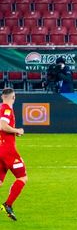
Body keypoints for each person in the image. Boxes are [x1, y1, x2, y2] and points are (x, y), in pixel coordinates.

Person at [0, 88, 28, 221]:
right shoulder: (6, 110)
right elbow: (3, 126)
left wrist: (12, 132)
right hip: (7, 150)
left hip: (1, 148)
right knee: (22, 177)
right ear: (13, 97)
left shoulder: (1, 108)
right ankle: (8, 204)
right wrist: (17, 130)